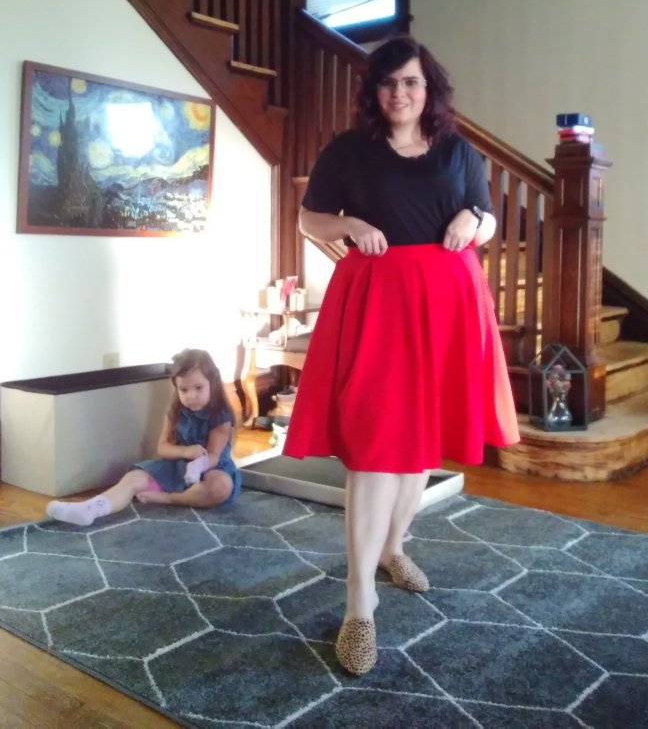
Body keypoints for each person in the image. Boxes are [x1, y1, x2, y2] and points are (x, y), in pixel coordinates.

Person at [283, 36, 520, 675]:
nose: (400, 93)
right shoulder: (348, 150)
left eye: (411, 82)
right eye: (389, 83)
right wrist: (349, 225)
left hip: (449, 301)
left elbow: (487, 217)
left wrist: (476, 221)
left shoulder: (458, 150)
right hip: (379, 300)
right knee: (374, 443)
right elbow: (309, 219)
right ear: (375, 90)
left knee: (424, 439)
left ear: (428, 88)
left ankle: (393, 548)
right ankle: (359, 602)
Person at [46, 348, 240, 526]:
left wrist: (197, 465)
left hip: (212, 468)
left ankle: (169, 498)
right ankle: (90, 509)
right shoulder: (176, 411)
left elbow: (213, 456)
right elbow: (162, 448)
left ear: (213, 383)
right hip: (177, 466)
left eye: (198, 388)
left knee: (220, 487)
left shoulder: (220, 415)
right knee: (132, 479)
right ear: (176, 387)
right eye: (184, 390)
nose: (191, 396)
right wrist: (186, 452)